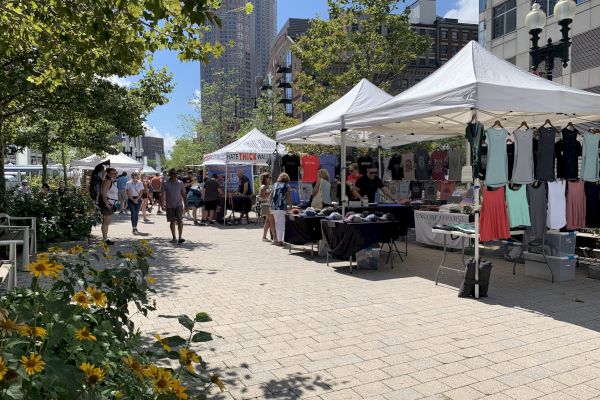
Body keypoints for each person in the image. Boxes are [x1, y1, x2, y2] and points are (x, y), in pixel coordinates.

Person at [161, 168, 187, 244]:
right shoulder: (165, 183)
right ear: (169, 174)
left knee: (180, 220)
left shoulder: (180, 183)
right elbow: (162, 194)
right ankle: (174, 238)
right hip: (169, 205)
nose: (175, 175)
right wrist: (163, 203)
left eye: (176, 173)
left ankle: (180, 237)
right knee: (172, 221)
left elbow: (184, 194)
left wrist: (186, 204)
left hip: (179, 204)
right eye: (173, 173)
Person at [271, 172, 292, 247]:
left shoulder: (275, 184)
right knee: (281, 224)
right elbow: (288, 197)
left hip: (274, 207)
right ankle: (280, 241)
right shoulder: (286, 185)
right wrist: (290, 206)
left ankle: (278, 240)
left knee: (277, 223)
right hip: (282, 206)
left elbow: (272, 195)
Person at [100, 168, 119, 245]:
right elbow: (103, 193)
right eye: (113, 173)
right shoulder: (107, 181)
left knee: (107, 222)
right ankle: (105, 239)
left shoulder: (110, 181)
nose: (115, 174)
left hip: (110, 204)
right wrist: (106, 203)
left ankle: (105, 239)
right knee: (106, 222)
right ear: (108, 174)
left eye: (116, 173)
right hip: (107, 204)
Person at [259, 172, 275, 242]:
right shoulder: (263, 186)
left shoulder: (266, 186)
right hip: (266, 205)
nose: (271, 179)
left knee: (268, 222)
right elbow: (263, 197)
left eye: (271, 178)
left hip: (267, 205)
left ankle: (264, 237)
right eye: (269, 177)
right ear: (265, 179)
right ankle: (275, 238)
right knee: (271, 221)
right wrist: (270, 192)